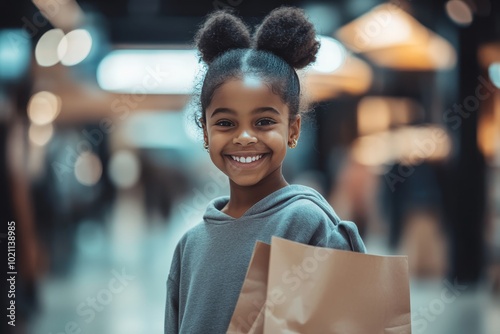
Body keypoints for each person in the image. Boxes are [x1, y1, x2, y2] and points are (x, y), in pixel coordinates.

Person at [165, 7, 365, 333]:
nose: (244, 137)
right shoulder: (190, 245)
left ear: (293, 130)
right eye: (226, 123)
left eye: (264, 122)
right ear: (205, 133)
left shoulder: (307, 223)